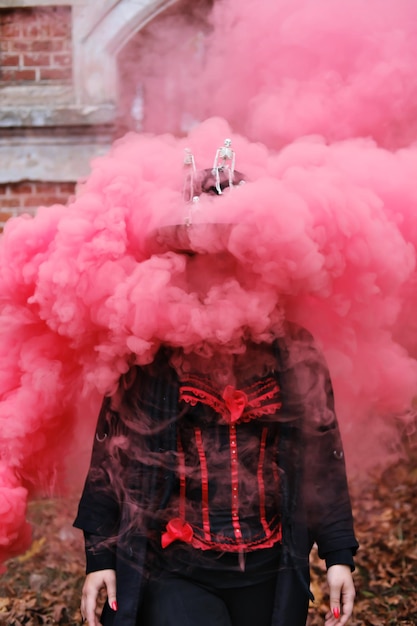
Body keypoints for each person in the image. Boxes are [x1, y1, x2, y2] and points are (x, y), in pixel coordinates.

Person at [74, 152, 358, 626]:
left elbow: (322, 460)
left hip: (270, 572)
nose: (217, 270)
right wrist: (100, 558)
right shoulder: (149, 352)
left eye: (231, 255)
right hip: (176, 571)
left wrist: (338, 555)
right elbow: (112, 457)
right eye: (201, 256)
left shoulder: (294, 351)